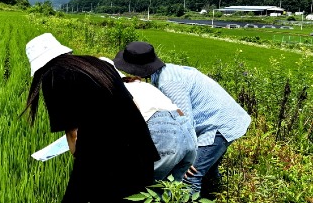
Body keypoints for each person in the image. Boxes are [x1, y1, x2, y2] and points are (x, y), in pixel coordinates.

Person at [23, 33, 160, 203]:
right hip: (141, 150)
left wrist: (80, 162)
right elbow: (132, 106)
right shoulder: (97, 63)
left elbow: (72, 132)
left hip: (107, 158)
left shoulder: (53, 76)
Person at [113, 41, 251, 198]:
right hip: (225, 119)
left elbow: (184, 120)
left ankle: (195, 197)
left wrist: (191, 156)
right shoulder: (165, 73)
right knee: (208, 169)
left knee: (190, 177)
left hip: (219, 126)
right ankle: (217, 195)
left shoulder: (169, 83)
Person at [100, 57, 197, 182]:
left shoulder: (115, 91)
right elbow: (180, 113)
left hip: (163, 134)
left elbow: (125, 128)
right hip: (187, 133)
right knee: (171, 192)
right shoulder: (141, 85)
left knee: (136, 187)